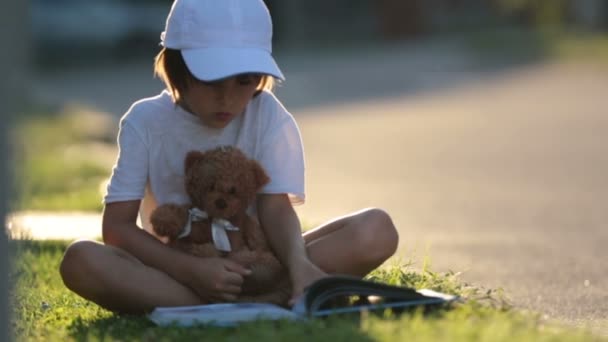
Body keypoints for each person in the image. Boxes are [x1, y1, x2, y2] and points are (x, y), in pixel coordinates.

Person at [59, 0, 399, 314]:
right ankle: (269, 302)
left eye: (244, 80)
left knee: (376, 229)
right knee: (80, 260)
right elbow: (117, 228)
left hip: (264, 266)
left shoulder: (267, 114)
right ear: (177, 67)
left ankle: (282, 289)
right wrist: (192, 270)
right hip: (177, 271)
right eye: (211, 81)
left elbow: (275, 206)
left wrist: (299, 266)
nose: (228, 98)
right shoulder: (144, 121)